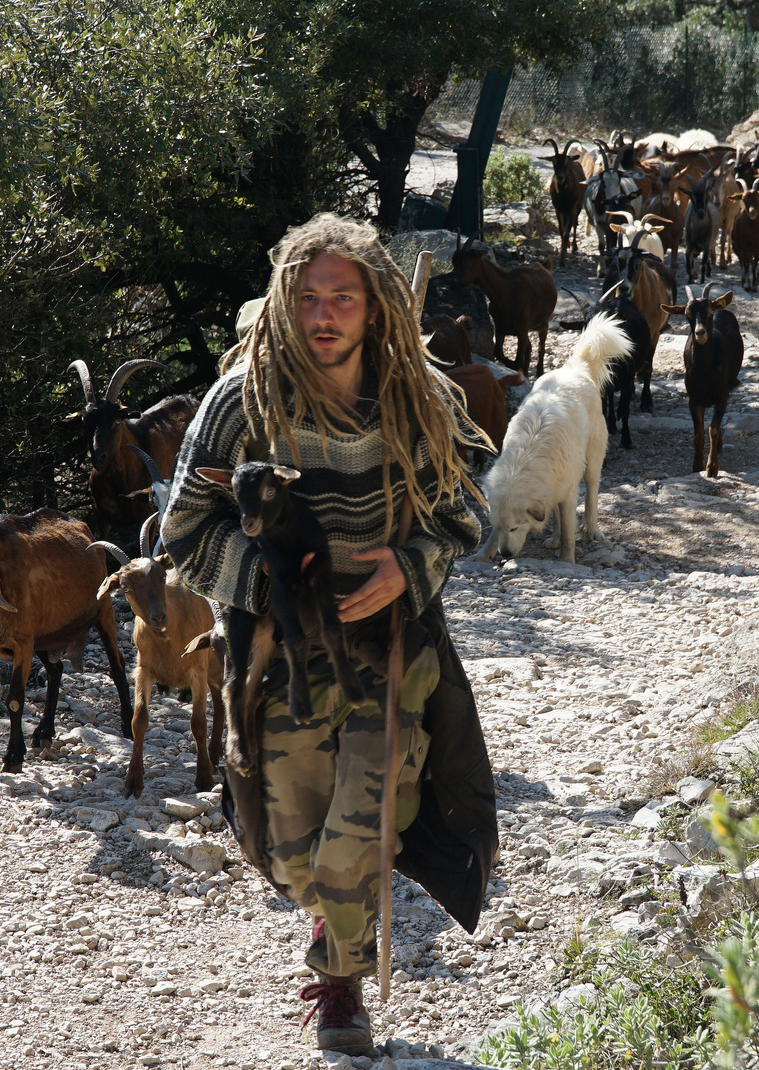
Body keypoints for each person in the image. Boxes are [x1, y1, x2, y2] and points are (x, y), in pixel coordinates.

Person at [161, 214, 498, 1055]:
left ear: (375, 308)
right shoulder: (242, 402)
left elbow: (466, 514)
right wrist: (274, 587)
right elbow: (182, 533)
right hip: (280, 658)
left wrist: (407, 568)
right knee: (292, 850)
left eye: (342, 298)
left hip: (390, 647)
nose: (323, 315)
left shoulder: (420, 399)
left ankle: (339, 985)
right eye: (308, 297)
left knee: (364, 825)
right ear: (284, 300)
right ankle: (326, 929)